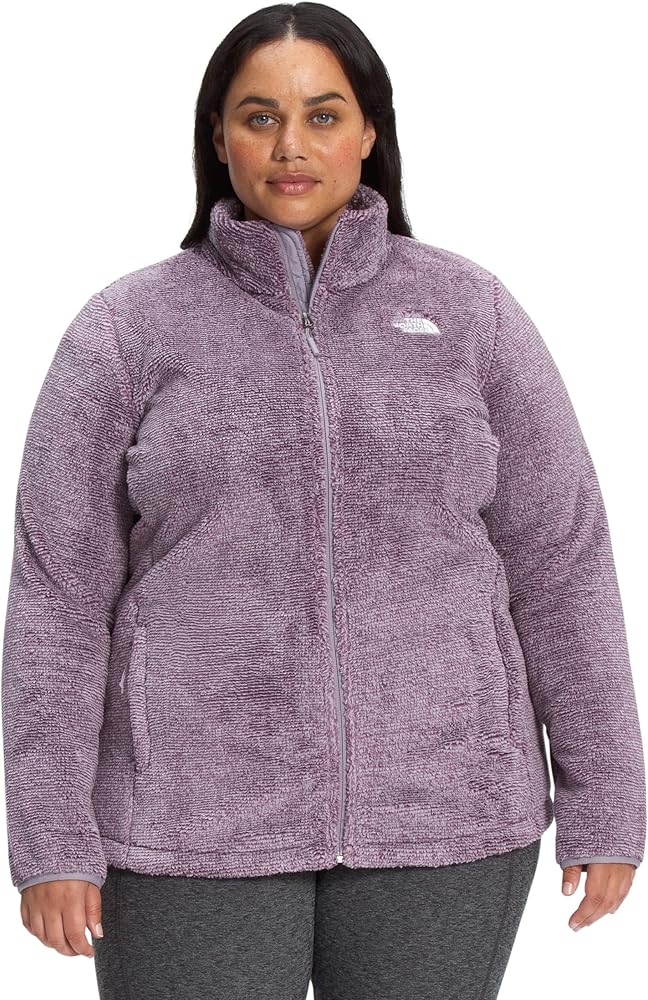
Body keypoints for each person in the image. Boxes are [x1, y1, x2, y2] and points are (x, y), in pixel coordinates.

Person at [2, 3, 645, 998]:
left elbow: (562, 563)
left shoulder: (472, 314)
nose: (290, 146)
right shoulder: (128, 331)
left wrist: (606, 803)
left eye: (323, 114)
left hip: (447, 814)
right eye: (258, 117)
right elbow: (59, 596)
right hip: (186, 821)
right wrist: (50, 835)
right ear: (218, 136)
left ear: (370, 130)